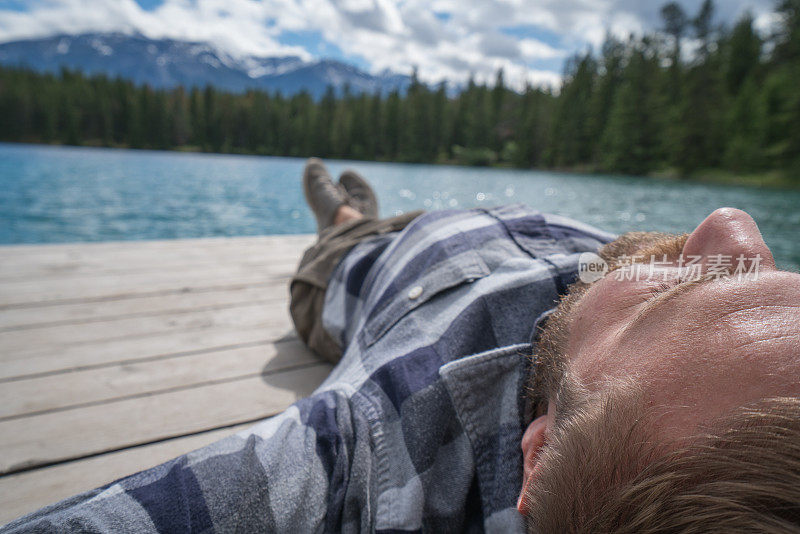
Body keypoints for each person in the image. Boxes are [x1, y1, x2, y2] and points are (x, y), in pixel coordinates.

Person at [3, 159, 800, 533]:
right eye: (777, 278)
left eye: (675, 300)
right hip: (544, 232)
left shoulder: (382, 447)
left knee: (343, 247)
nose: (733, 225)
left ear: (539, 454)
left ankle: (345, 218)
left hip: (386, 271)